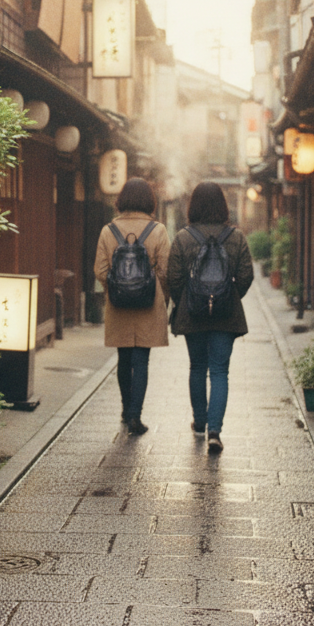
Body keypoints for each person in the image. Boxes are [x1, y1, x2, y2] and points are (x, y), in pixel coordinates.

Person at [166, 183, 255, 454]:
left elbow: (174, 278)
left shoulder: (183, 237)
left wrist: (189, 301)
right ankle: (215, 431)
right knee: (219, 371)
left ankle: (200, 423)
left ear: (193, 206)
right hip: (226, 316)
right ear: (223, 205)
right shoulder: (236, 237)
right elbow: (247, 275)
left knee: (197, 367)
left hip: (192, 316)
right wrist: (228, 296)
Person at [94, 178, 170, 435]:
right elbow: (165, 271)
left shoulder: (108, 230)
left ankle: (126, 411)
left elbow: (100, 270)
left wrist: (117, 287)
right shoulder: (158, 230)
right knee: (142, 360)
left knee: (124, 359)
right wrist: (150, 288)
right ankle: (136, 416)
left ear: (122, 199)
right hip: (149, 306)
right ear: (149, 201)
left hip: (118, 307)